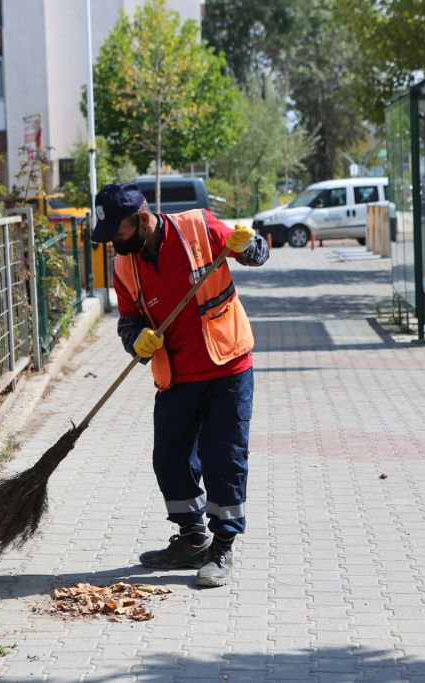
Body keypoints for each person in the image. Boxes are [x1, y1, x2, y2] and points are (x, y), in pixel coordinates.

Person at [91, 182, 269, 587]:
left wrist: (247, 245)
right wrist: (136, 340)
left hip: (227, 366)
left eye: (117, 234)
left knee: (224, 457)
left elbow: (258, 255)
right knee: (170, 459)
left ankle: (222, 547)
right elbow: (128, 321)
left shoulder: (198, 227)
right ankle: (192, 539)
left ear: (140, 220)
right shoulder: (125, 265)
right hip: (177, 376)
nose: (113, 244)